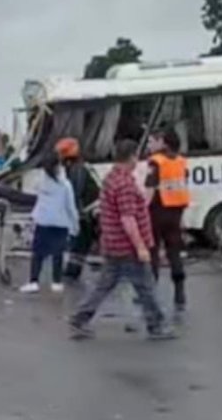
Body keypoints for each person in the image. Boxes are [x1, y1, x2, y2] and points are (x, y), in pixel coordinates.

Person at [69, 140, 175, 341]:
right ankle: (156, 325)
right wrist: (141, 246)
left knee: (104, 285)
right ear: (133, 157)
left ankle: (80, 318)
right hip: (127, 247)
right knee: (146, 286)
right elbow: (128, 218)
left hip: (112, 243)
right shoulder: (125, 184)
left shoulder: (112, 178)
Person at [144, 128, 190, 312]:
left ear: (162, 141)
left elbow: (150, 188)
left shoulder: (156, 162)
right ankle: (180, 293)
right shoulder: (180, 161)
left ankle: (150, 293)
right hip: (175, 212)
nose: (148, 145)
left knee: (153, 252)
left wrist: (140, 210)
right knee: (174, 253)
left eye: (151, 141)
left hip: (157, 211)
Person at [20, 152, 79, 294]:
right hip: (60, 223)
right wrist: (75, 224)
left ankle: (33, 281)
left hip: (43, 221)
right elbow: (70, 206)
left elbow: (38, 200)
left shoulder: (41, 182)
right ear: (59, 165)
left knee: (38, 253)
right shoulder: (65, 184)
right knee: (58, 253)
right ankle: (56, 282)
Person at [57, 138, 101, 281]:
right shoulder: (81, 166)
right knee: (82, 241)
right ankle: (73, 270)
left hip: (90, 211)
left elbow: (76, 192)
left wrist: (72, 212)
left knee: (82, 240)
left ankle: (73, 270)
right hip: (92, 209)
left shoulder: (77, 169)